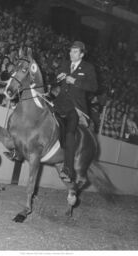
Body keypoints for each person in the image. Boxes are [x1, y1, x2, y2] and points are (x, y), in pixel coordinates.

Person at [48, 41, 98, 182]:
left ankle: (68, 169)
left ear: (81, 54)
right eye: (71, 51)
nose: (71, 53)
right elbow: (57, 78)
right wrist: (58, 78)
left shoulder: (88, 68)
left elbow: (94, 87)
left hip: (76, 107)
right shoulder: (65, 64)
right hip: (60, 103)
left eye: (75, 52)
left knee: (70, 133)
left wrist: (75, 81)